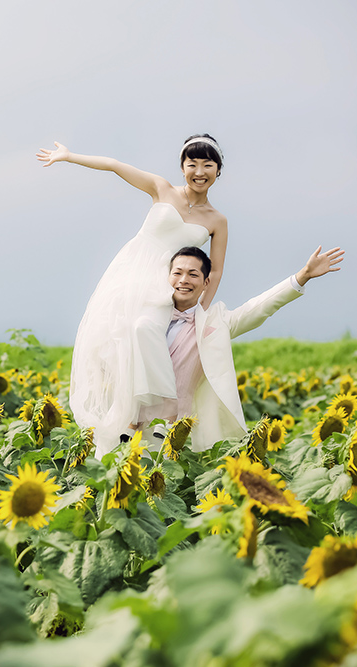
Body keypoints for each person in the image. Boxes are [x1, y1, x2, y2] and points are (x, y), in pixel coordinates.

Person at [37, 135, 228, 453]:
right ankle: (129, 419)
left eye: (207, 164)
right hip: (129, 273)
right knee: (118, 347)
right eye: (192, 163)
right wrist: (69, 156)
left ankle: (161, 411)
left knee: (144, 329)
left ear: (218, 171)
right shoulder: (161, 188)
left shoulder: (217, 220)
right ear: (182, 167)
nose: (199, 171)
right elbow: (113, 166)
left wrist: (200, 311)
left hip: (165, 284)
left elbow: (216, 271)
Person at [106, 243, 345, 457]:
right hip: (126, 421)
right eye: (177, 273)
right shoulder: (143, 317)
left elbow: (258, 308)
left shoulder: (216, 322)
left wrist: (303, 275)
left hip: (173, 431)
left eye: (192, 274)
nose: (183, 280)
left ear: (205, 282)